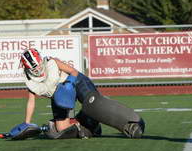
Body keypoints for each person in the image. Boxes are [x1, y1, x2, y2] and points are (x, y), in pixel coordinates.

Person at [13, 48, 145, 140]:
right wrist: (27, 123)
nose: (38, 68)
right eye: (34, 67)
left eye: (39, 64)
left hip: (75, 82)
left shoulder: (51, 62)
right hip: (59, 96)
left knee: (94, 106)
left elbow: (73, 72)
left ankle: (130, 124)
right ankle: (89, 125)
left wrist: (69, 83)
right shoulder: (29, 80)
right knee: (59, 131)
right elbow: (31, 100)